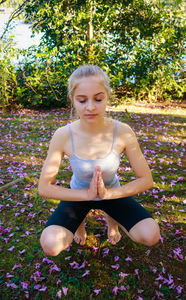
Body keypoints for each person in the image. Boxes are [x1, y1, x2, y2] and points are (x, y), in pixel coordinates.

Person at [38, 65, 160, 257]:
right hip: (78, 194)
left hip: (112, 192)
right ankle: (79, 225)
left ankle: (113, 224)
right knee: (51, 245)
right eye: (82, 100)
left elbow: (146, 179)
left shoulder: (123, 131)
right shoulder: (62, 135)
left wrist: (108, 193)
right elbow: (44, 187)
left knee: (150, 234)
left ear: (108, 97)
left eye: (98, 98)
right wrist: (87, 194)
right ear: (72, 101)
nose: (90, 107)